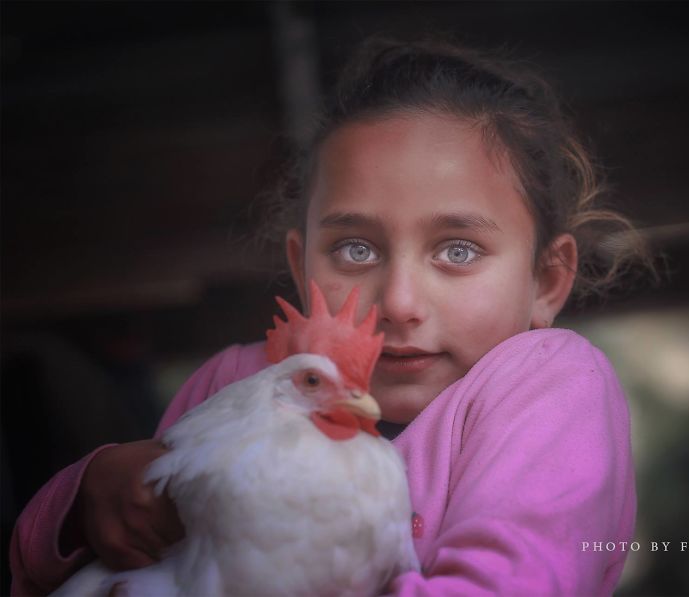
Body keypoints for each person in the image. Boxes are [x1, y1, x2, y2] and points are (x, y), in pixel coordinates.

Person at [10, 36, 652, 596]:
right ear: (301, 263)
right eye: (356, 248)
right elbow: (98, 561)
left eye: (458, 250)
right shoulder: (238, 382)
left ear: (547, 281)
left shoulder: (548, 384)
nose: (399, 301)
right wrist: (89, 491)